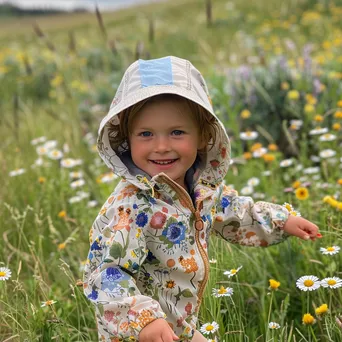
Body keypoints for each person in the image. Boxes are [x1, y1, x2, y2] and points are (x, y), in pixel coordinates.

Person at [83, 56, 320, 342]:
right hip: (139, 330)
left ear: (202, 136)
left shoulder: (199, 189)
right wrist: (144, 320)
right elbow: (106, 273)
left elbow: (235, 213)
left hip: (178, 326)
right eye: (146, 134)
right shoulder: (131, 207)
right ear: (126, 139)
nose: (161, 146)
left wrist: (283, 221)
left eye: (177, 132)